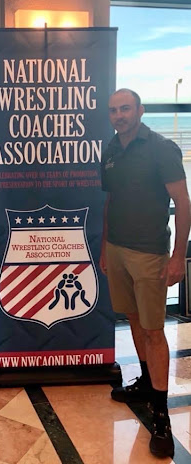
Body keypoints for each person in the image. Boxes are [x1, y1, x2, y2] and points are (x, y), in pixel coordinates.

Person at [100, 88, 191, 459]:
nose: (119, 115)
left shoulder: (161, 149)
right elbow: (109, 201)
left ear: (140, 110)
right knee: (134, 319)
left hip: (151, 254)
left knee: (154, 331)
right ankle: (144, 384)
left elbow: (182, 202)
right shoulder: (110, 149)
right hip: (116, 250)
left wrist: (178, 256)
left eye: (125, 109)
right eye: (113, 110)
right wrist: (104, 247)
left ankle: (161, 414)